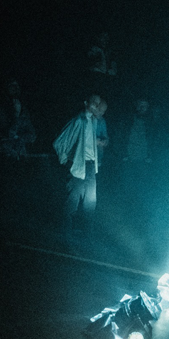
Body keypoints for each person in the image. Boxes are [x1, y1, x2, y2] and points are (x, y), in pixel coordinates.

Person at [54, 95, 103, 239]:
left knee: (90, 200)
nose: (96, 106)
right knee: (73, 199)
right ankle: (66, 231)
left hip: (89, 165)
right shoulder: (78, 120)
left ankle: (87, 233)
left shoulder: (94, 121)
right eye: (94, 103)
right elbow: (61, 140)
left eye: (98, 104)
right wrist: (65, 157)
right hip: (77, 165)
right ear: (86, 103)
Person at [0, 79, 36, 160]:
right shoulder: (0, 109)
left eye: (17, 86)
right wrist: (16, 114)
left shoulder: (23, 110)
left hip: (21, 155)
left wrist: (19, 138)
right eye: (12, 86)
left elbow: (32, 135)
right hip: (5, 156)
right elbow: (8, 134)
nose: (16, 89)